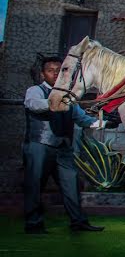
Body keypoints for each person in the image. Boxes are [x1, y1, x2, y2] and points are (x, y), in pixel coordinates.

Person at [23, 56, 106, 234]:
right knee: (35, 185)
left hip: (63, 148)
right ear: (42, 74)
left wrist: (104, 123)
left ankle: (78, 222)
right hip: (39, 145)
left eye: (59, 70)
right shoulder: (35, 91)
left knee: (71, 185)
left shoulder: (68, 97)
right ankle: (33, 224)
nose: (55, 74)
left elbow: (82, 119)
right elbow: (33, 105)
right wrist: (56, 101)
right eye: (50, 71)